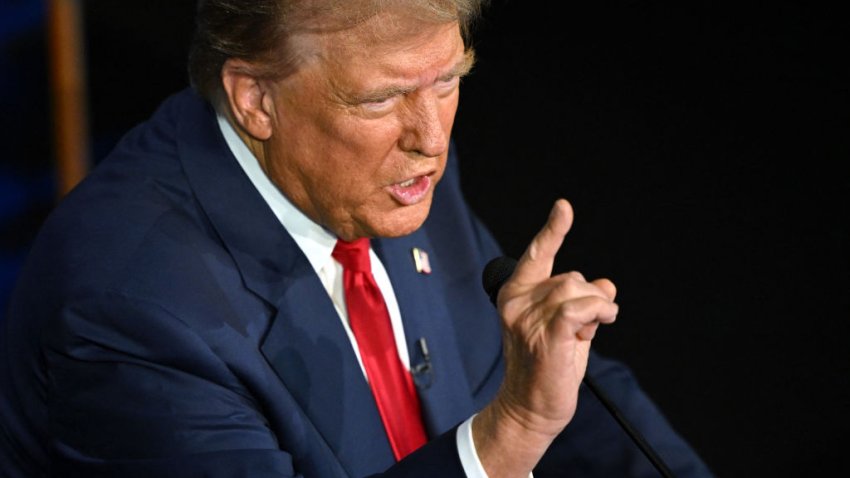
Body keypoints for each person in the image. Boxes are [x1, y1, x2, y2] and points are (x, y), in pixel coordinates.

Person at [0, 0, 714, 476]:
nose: (430, 140)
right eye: (381, 99)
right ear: (256, 99)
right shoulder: (128, 311)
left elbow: (530, 378)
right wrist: (508, 437)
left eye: (448, 82)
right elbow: (519, 413)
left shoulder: (386, 174)